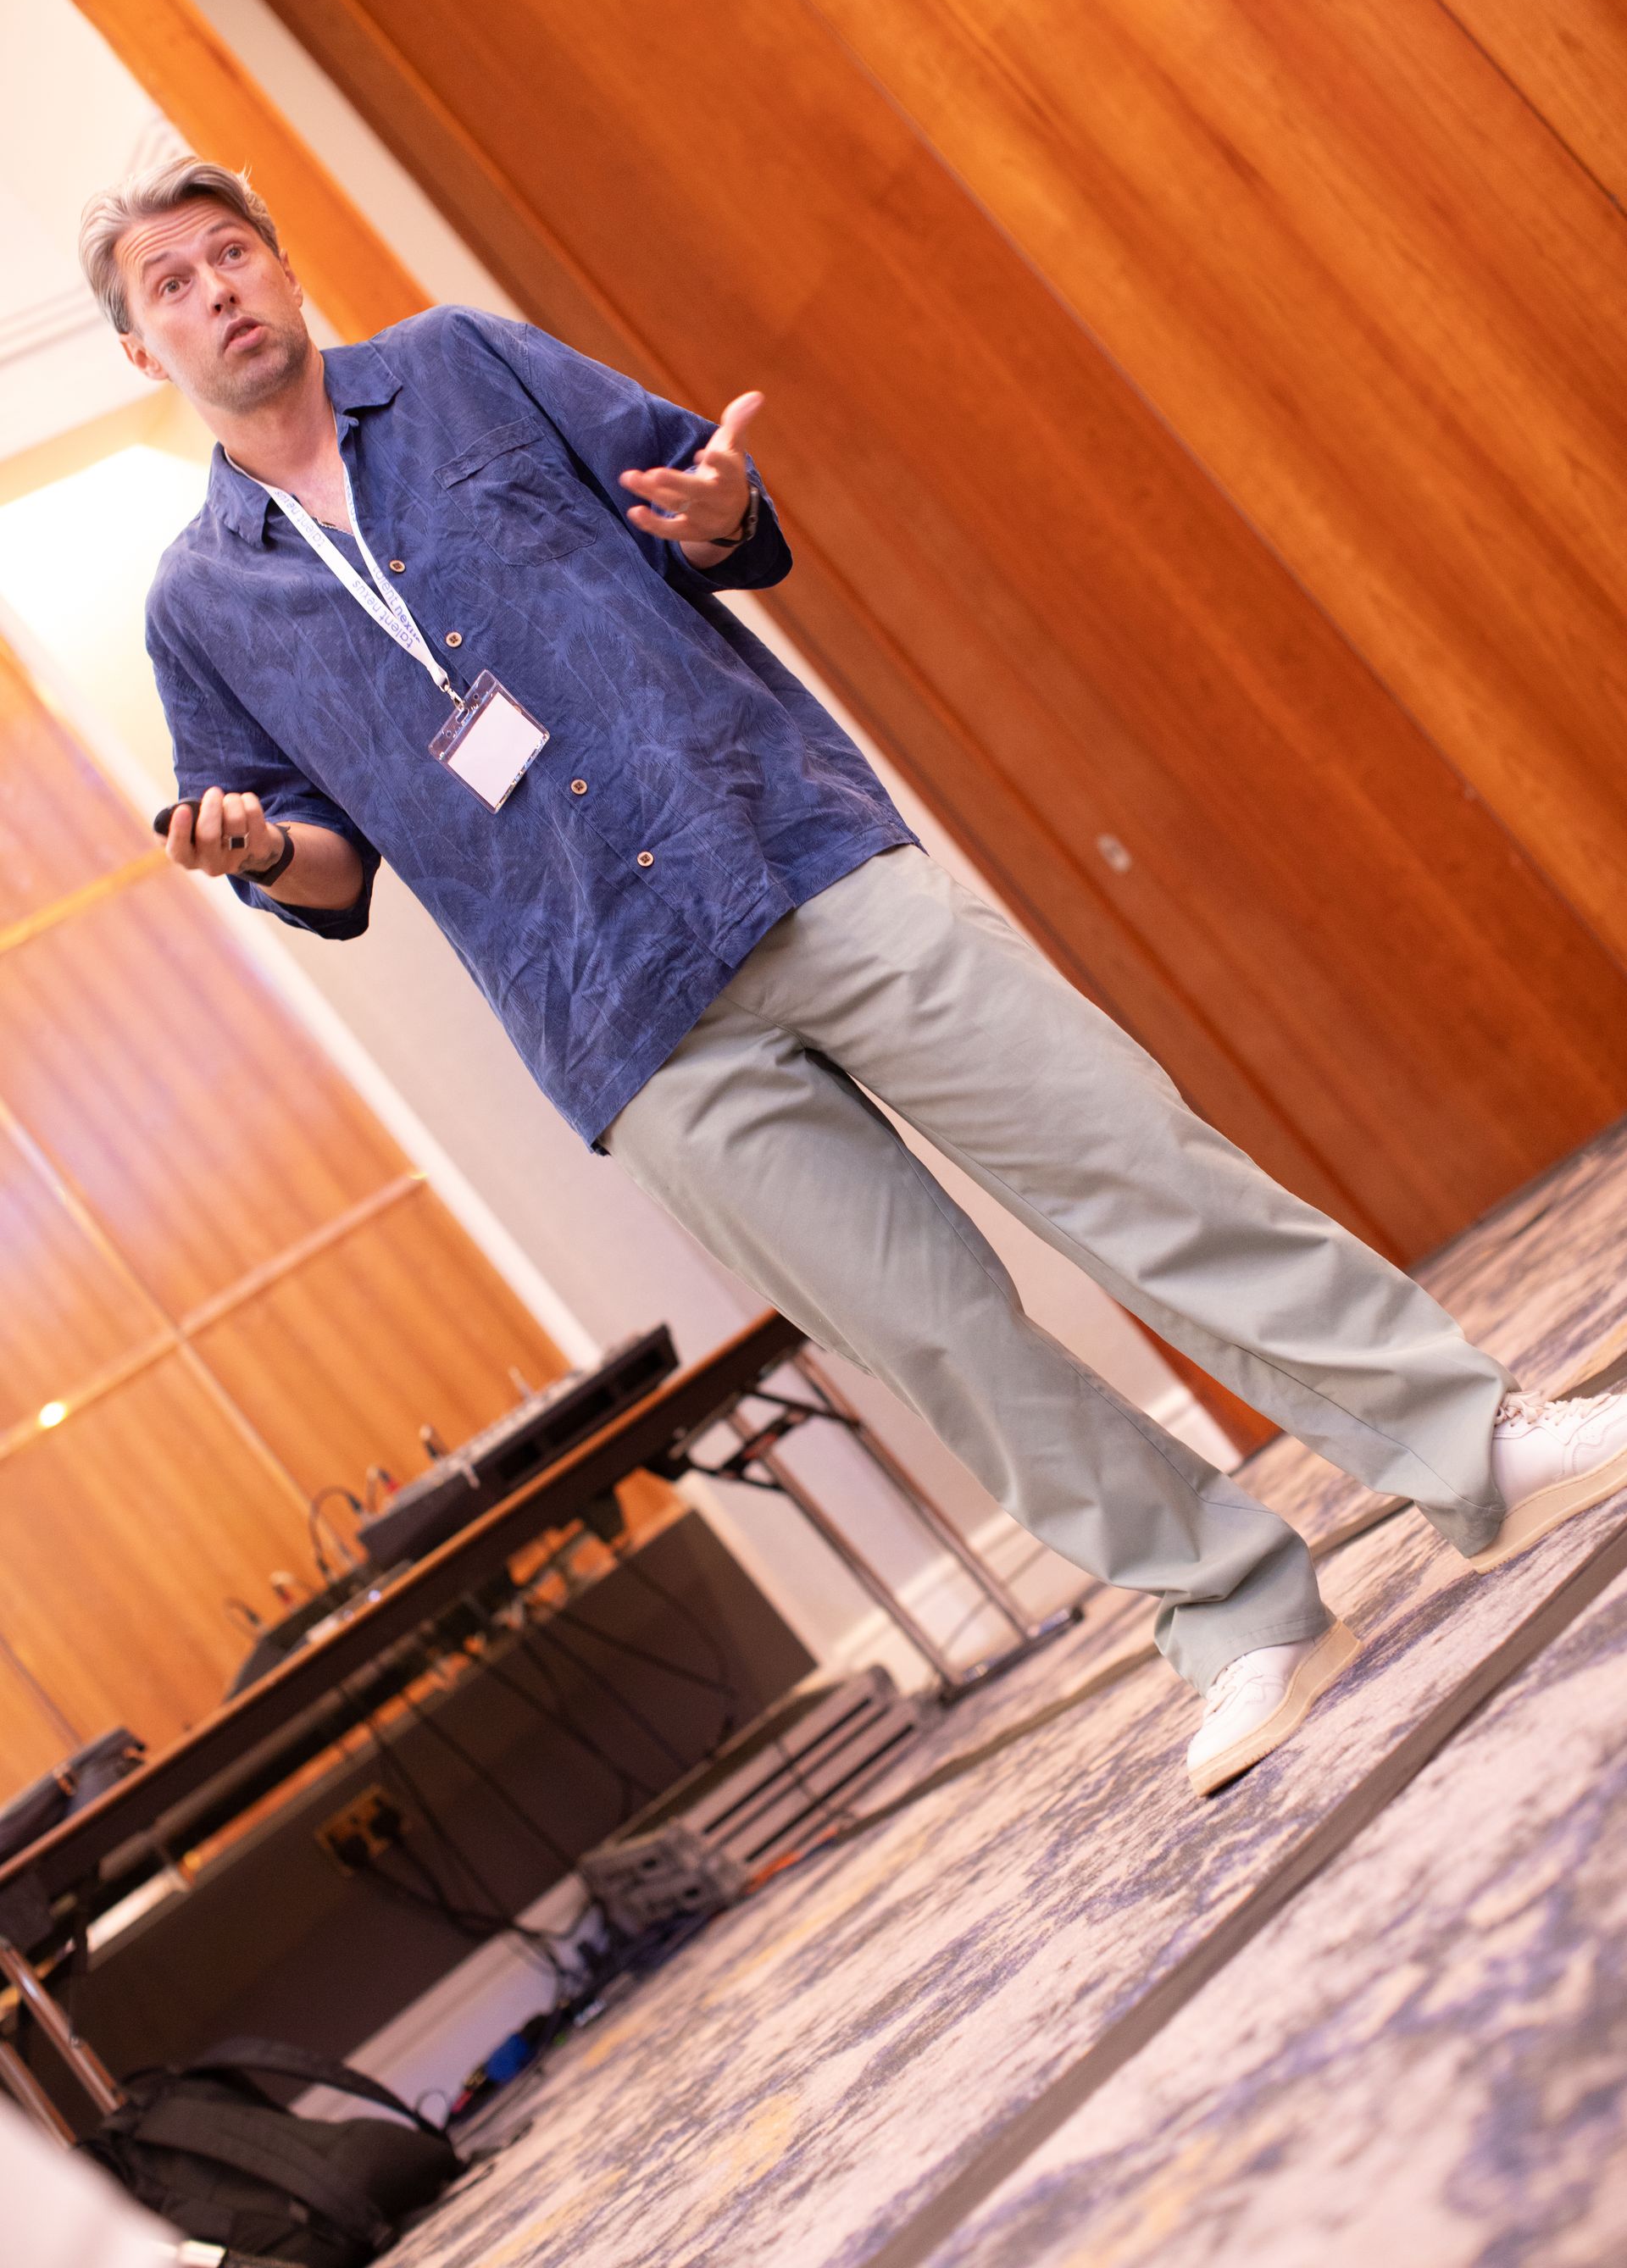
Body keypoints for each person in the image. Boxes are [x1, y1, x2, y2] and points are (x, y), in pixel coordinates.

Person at [80, 156, 1627, 1799]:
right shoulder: (201, 604)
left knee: (1132, 1163)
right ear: (137, 348)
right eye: (171, 284)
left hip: (787, 851)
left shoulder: (465, 361)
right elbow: (326, 865)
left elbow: (704, 505)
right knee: (939, 1341)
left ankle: (1474, 1444)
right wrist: (260, 851)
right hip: (624, 1019)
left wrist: (720, 513)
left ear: (281, 265)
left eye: (230, 253)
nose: (215, 292)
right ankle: (1235, 1610)